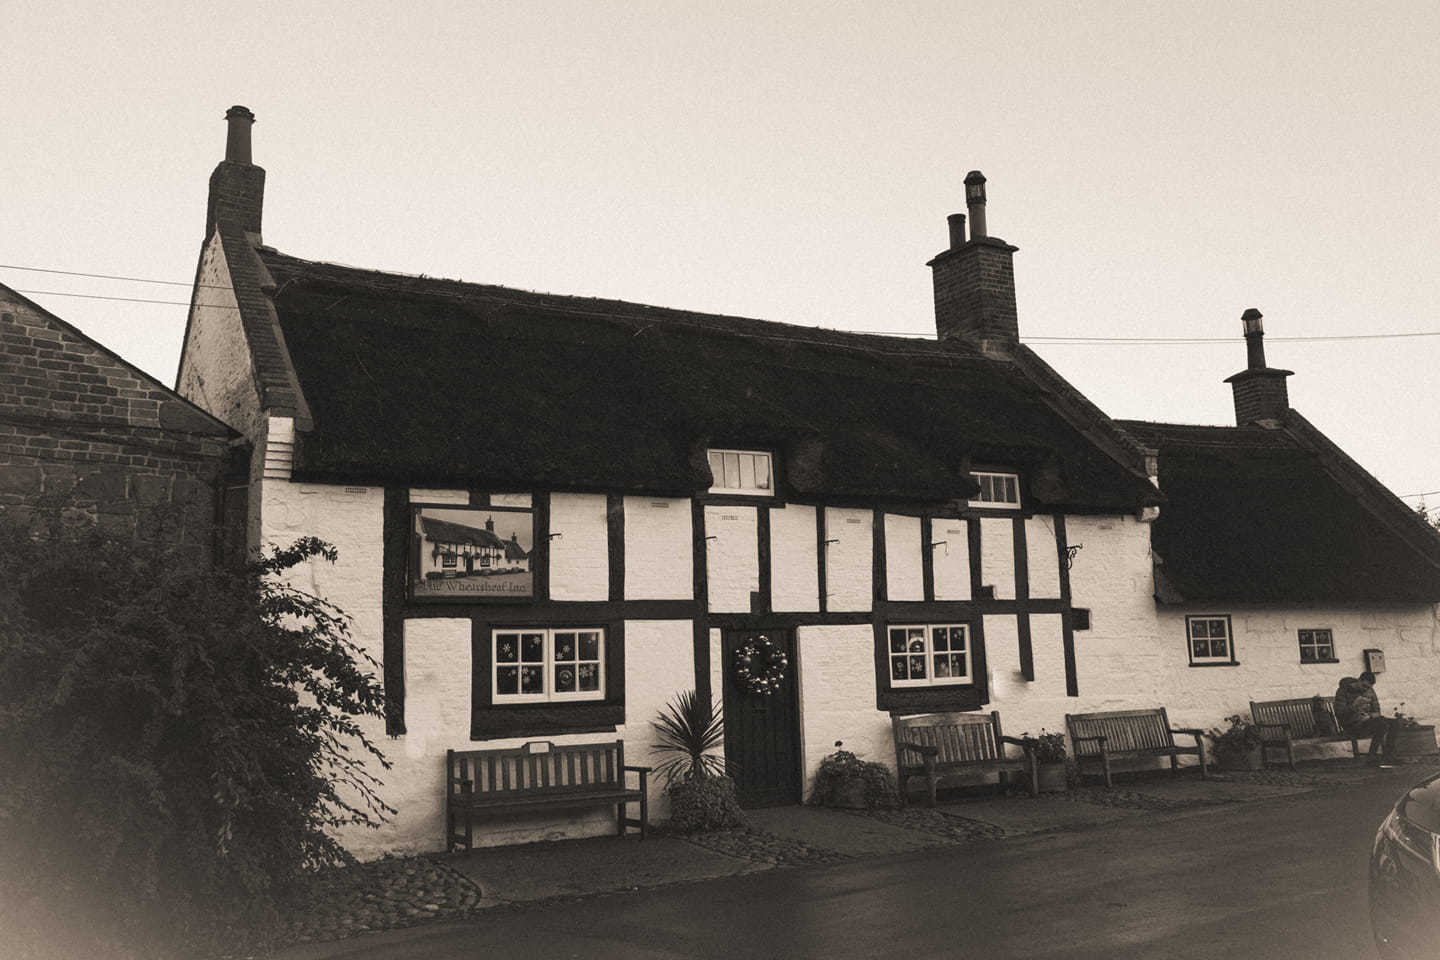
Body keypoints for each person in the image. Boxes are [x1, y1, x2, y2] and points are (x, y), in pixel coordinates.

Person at [1334, 671, 1398, 767]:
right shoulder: (1343, 691)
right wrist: (1354, 707)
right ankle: (1372, 756)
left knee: (1394, 723)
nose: (1365, 689)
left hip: (1368, 721)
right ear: (1359, 681)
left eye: (1368, 688)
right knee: (1381, 725)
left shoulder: (1370, 691)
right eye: (1364, 686)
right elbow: (1339, 713)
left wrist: (1370, 716)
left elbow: (1377, 710)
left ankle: (1389, 756)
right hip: (1351, 725)